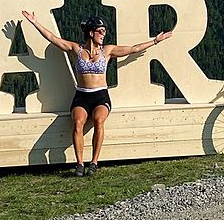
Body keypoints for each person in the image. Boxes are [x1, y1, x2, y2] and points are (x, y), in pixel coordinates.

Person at [21, 10, 172, 176]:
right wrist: (35, 22)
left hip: (100, 95)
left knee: (99, 121)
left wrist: (156, 41)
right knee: (78, 123)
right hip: (82, 95)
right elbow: (52, 38)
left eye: (104, 31)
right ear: (91, 32)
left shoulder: (107, 51)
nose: (103, 34)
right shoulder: (76, 49)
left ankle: (94, 162)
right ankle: (79, 164)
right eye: (100, 31)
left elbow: (133, 49)